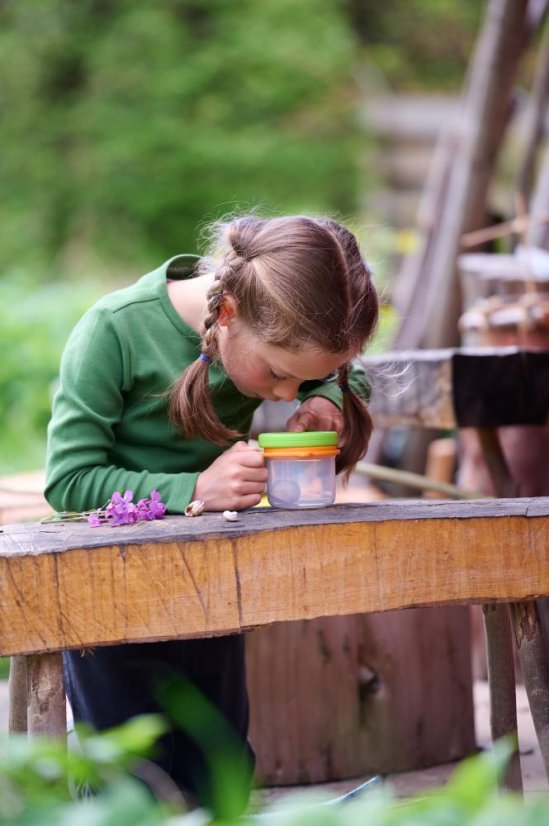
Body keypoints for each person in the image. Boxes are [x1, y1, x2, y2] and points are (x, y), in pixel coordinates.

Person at [44, 214, 379, 810]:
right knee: (129, 778)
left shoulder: (269, 321)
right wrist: (195, 487)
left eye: (298, 380)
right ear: (226, 316)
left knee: (219, 763)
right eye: (278, 375)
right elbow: (68, 482)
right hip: (107, 590)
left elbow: (349, 371)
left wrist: (325, 397)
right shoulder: (114, 331)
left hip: (211, 585)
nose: (282, 396)